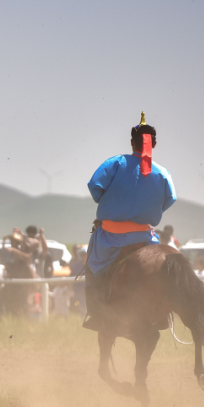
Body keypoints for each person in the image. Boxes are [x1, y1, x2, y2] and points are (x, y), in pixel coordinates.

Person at [83, 112, 177, 331]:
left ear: (132, 142)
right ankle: (164, 314)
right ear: (153, 144)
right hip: (145, 237)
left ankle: (96, 314)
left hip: (109, 237)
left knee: (93, 267)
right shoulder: (163, 172)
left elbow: (95, 188)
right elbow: (170, 199)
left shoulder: (115, 163)